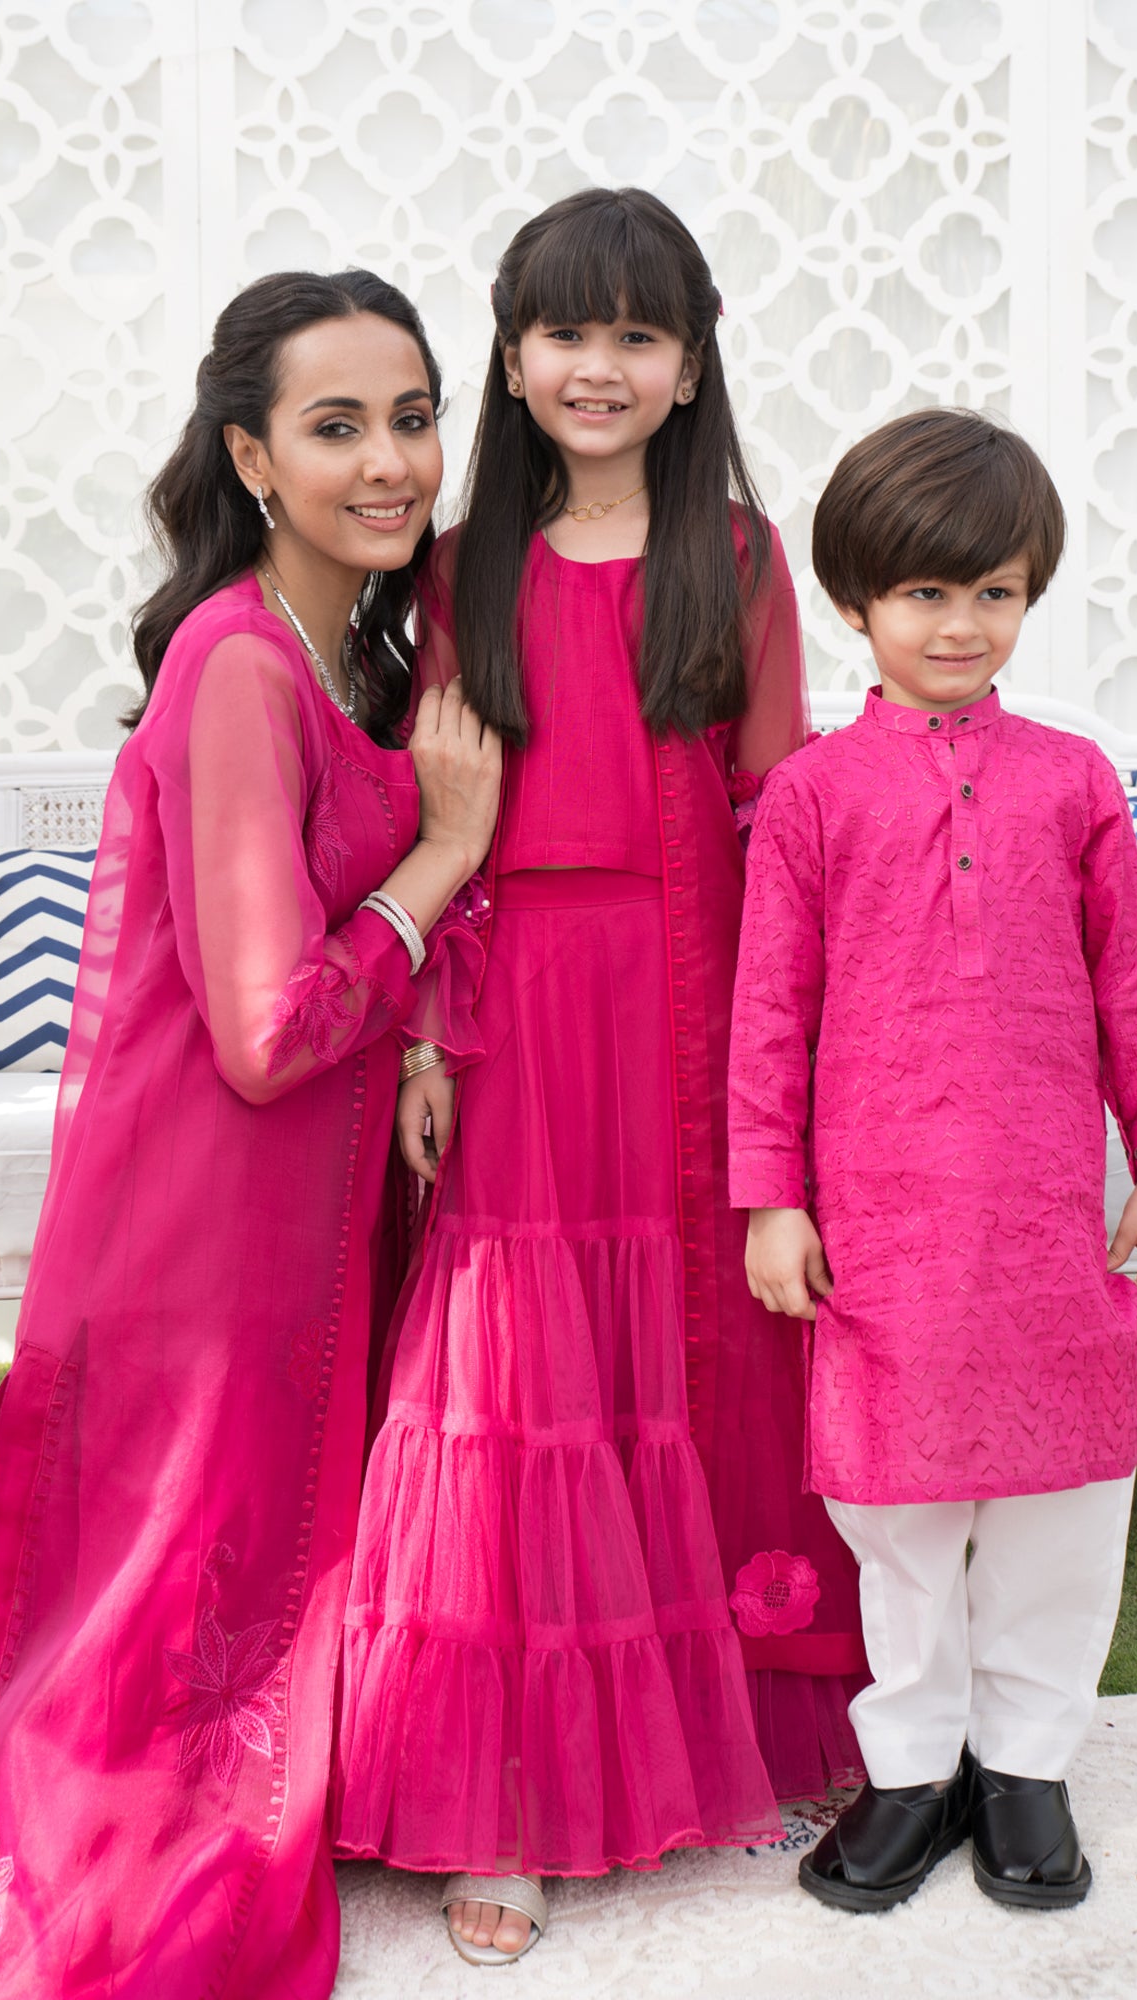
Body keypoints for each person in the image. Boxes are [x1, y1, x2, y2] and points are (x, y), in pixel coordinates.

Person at [0, 269, 500, 1996]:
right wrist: (443, 854)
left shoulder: (353, 649)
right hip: (211, 1211)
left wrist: (422, 1024)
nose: (390, 461)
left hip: (300, 1204)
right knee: (169, 1627)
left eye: (411, 418)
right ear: (252, 458)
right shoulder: (240, 663)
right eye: (336, 428)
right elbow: (263, 1035)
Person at [334, 186, 867, 1967]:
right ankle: (507, 1789)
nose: (599, 365)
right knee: (518, 1372)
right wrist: (424, 1028)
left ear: (690, 363)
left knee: (705, 1337)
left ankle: (739, 1727)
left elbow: (779, 813)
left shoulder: (739, 553)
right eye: (566, 330)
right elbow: (434, 816)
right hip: (515, 1008)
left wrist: (798, 1067)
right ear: (509, 357)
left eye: (638, 334)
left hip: (695, 998)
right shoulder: (456, 565)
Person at [729, 407, 1137, 1915]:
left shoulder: (1073, 779)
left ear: (1029, 595)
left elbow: (1134, 989)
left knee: (1064, 1499)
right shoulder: (810, 795)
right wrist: (772, 1199)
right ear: (854, 601)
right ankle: (912, 1768)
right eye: (924, 593)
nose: (959, 625)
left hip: (1047, 1220)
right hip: (883, 1228)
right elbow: (769, 1013)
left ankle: (1025, 1768)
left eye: (993, 592)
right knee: (897, 1512)